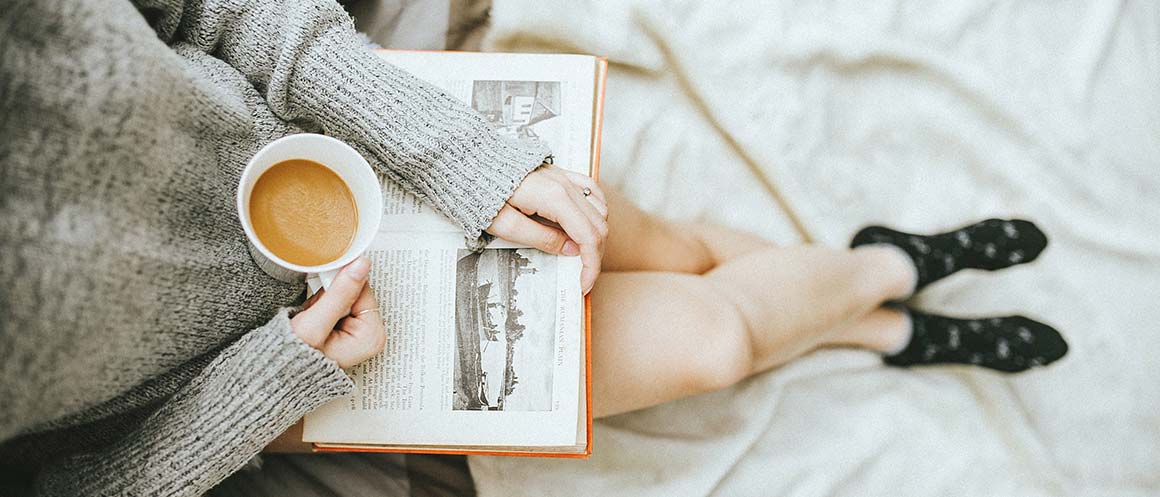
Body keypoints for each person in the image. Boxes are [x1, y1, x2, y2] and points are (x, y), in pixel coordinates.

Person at [0, 0, 604, 495]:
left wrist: (460, 152)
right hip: (243, 379)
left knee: (589, 220)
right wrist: (266, 386)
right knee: (681, 340)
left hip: (333, 127)